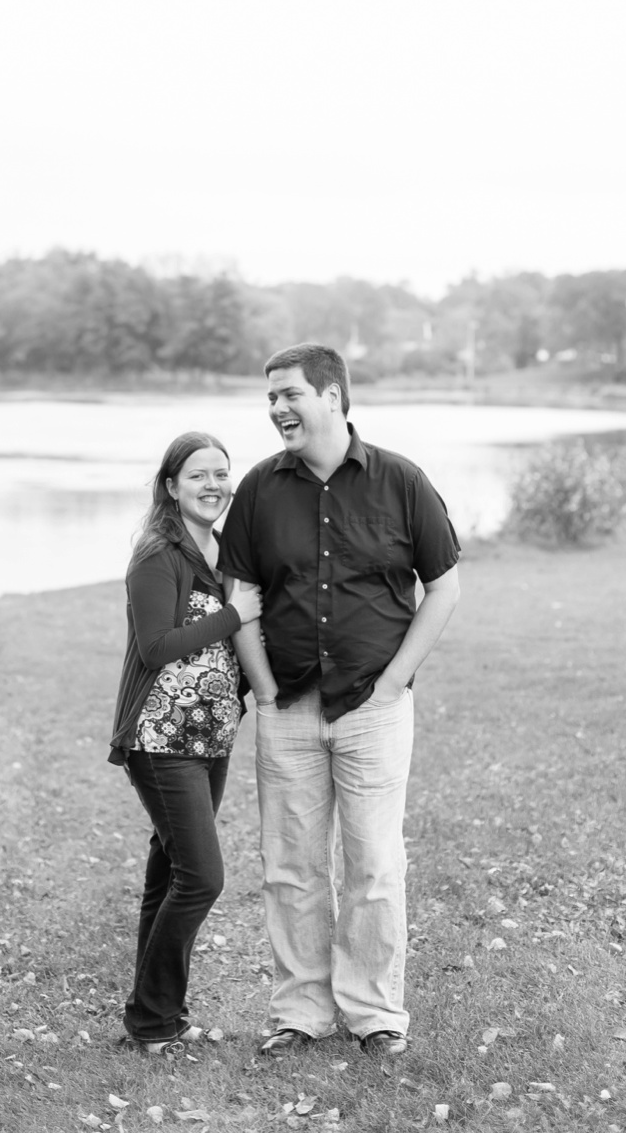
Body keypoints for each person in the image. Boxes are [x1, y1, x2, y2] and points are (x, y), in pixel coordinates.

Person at [219, 344, 463, 1061]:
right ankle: (301, 1011)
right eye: (270, 398)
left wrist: (393, 683)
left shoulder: (401, 481)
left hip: (374, 709)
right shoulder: (260, 489)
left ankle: (374, 1012)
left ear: (332, 395)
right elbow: (243, 596)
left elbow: (444, 586)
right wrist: (263, 690)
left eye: (289, 394)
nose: (277, 409)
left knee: (374, 863)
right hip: (287, 706)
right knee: (290, 865)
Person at [107, 431, 277, 1053]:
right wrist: (236, 614)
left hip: (210, 739)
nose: (213, 485)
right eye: (199, 475)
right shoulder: (159, 554)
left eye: (221, 474)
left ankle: (155, 1021)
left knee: (170, 876)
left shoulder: (222, 550)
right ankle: (153, 1017)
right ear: (171, 486)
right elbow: (156, 646)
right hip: (161, 739)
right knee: (202, 878)